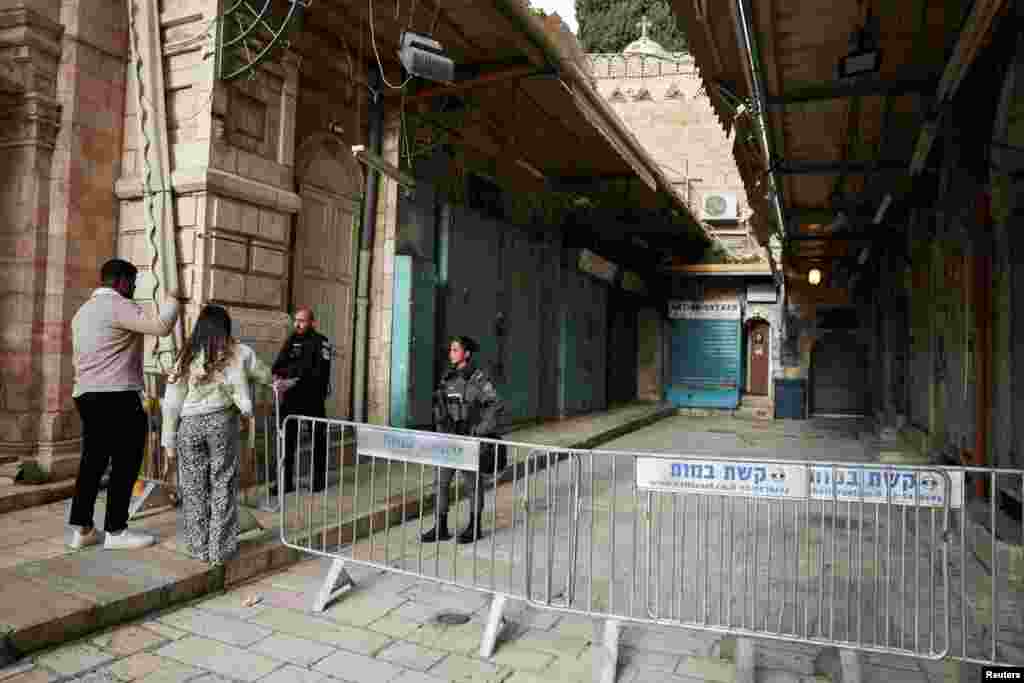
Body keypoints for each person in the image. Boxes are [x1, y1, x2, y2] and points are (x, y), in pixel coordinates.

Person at [68, 258, 180, 551]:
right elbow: (160, 326)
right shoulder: (117, 304)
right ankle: (116, 531)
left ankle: (82, 529)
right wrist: (173, 300)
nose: (133, 288)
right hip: (117, 395)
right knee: (125, 462)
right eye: (132, 283)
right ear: (119, 282)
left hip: (86, 394)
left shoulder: (82, 312)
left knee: (92, 462)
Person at [160, 305, 279, 564]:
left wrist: (168, 441)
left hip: (188, 425)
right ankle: (220, 549)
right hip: (221, 422)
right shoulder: (239, 352)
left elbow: (170, 403)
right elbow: (265, 374)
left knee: (193, 488)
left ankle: (198, 547)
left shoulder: (186, 355)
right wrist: (272, 383)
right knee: (222, 483)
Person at [421, 335, 505, 544]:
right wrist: (440, 425)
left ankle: (474, 527)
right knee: (441, 483)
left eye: (456, 350)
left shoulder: (478, 379)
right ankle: (440, 527)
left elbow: (495, 405)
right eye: (451, 350)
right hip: (449, 440)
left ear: (466, 353)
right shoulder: (447, 378)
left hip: (469, 440)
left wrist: (480, 430)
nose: (451, 353)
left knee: (472, 485)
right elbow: (440, 408)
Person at [271, 306, 332, 494]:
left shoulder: (321, 342)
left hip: (312, 398)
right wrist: (281, 379)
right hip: (291, 399)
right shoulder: (291, 340)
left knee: (318, 440)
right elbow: (278, 365)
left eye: (302, 320)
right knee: (286, 441)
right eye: (295, 320)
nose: (297, 324)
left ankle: (318, 481)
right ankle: (284, 482)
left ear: (312, 323)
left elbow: (320, 372)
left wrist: (294, 379)